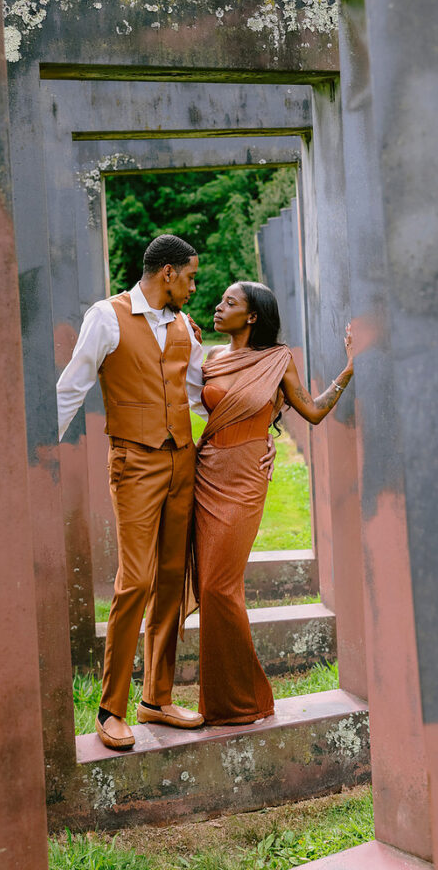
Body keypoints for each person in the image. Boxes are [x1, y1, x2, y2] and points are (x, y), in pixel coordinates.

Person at [56, 236, 274, 749]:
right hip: (134, 464)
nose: (197, 288)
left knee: (173, 583)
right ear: (168, 273)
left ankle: (155, 698)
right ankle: (110, 709)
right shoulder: (106, 317)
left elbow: (205, 396)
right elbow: (72, 386)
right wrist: (28, 456)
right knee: (135, 580)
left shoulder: (182, 328)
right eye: (192, 277)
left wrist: (255, 438)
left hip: (184, 464)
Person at [193, 281, 354, 725]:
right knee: (211, 587)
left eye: (230, 302)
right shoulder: (209, 360)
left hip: (246, 477)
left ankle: (247, 701)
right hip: (205, 470)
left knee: (217, 586)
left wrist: (348, 371)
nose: (217, 306)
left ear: (252, 317)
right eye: (219, 298)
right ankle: (225, 704)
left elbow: (313, 410)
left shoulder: (277, 359)